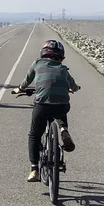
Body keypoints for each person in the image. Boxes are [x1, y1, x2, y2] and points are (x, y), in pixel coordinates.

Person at [13, 39, 79, 181]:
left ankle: (34, 169)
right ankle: (63, 129)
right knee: (61, 106)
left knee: (34, 135)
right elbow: (73, 86)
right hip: (61, 105)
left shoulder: (37, 63)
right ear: (61, 56)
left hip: (42, 104)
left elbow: (26, 81)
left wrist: (19, 89)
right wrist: (76, 88)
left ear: (43, 53)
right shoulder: (63, 69)